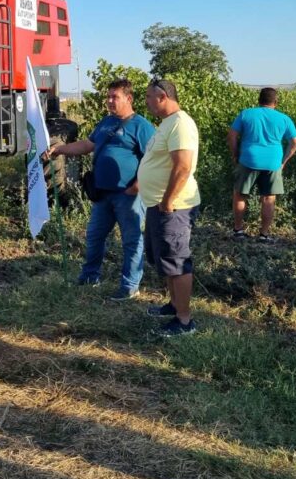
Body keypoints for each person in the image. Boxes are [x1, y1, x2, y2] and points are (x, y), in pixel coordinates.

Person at [47, 79, 155, 299]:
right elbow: (87, 145)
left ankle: (130, 286)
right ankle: (89, 276)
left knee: (132, 240)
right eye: (108, 96)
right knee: (94, 236)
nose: (109, 101)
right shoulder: (106, 122)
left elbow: (152, 159)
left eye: (114, 97)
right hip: (102, 194)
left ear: (129, 99)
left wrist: (138, 185)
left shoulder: (141, 126)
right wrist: (60, 150)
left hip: (128, 195)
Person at [137, 80, 201, 337]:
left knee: (176, 261)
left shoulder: (181, 124)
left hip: (173, 207)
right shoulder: (168, 123)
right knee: (164, 258)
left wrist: (167, 201)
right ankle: (174, 305)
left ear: (162, 96)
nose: (147, 102)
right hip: (159, 204)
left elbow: (183, 167)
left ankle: (184, 321)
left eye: (149, 98)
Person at [227, 87, 296, 243]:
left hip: (248, 159)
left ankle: (238, 230)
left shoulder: (246, 114)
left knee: (240, 195)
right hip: (273, 162)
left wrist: (236, 154)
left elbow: (232, 135)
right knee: (268, 198)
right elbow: (295, 143)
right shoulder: (284, 118)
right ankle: (264, 234)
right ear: (276, 102)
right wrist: (283, 161)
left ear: (259, 100)